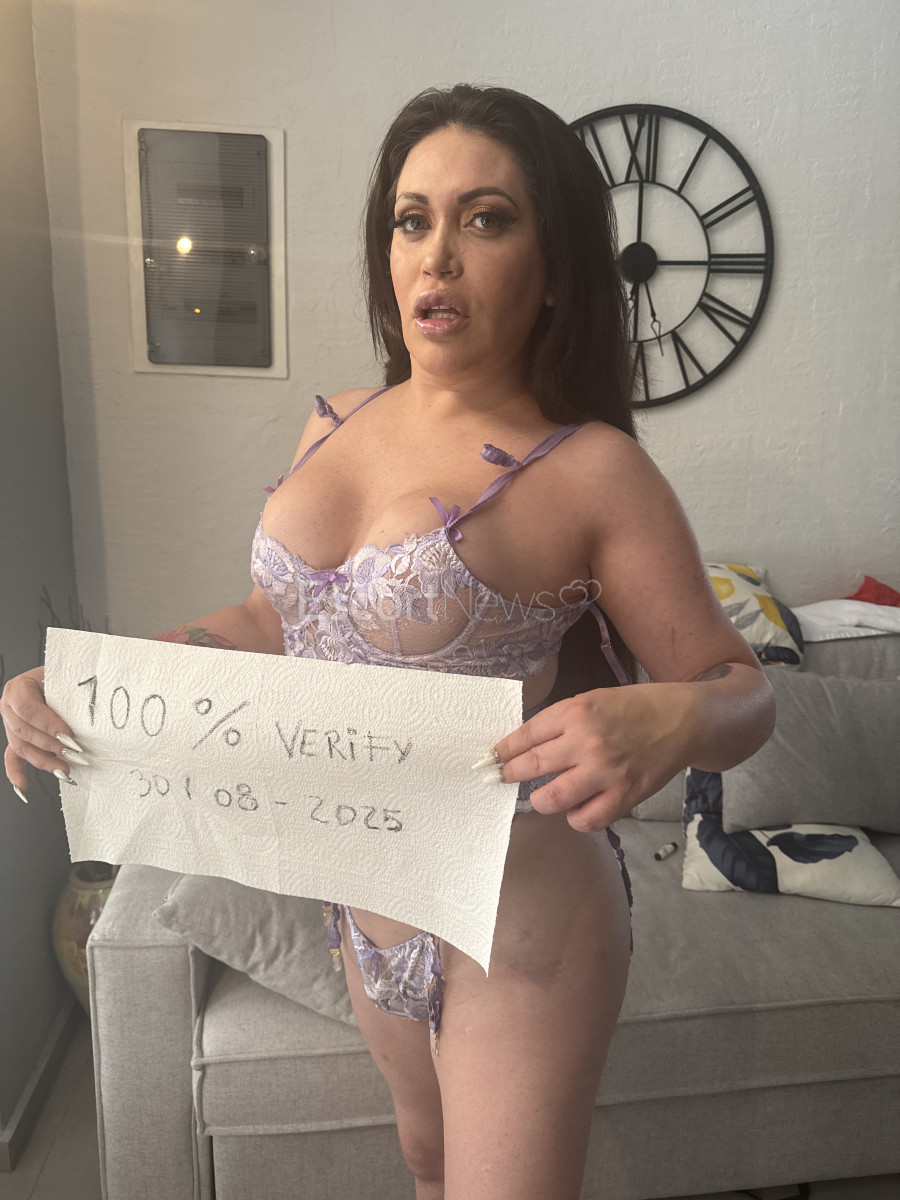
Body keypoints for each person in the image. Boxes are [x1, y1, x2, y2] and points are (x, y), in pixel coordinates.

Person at [2, 84, 775, 1200]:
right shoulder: (336, 421)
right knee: (426, 1163)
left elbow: (743, 689)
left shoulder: (593, 470)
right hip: (361, 895)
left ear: (555, 270)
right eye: (414, 220)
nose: (437, 256)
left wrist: (673, 713)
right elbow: (274, 622)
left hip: (517, 910)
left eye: (486, 219)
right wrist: (96, 683)